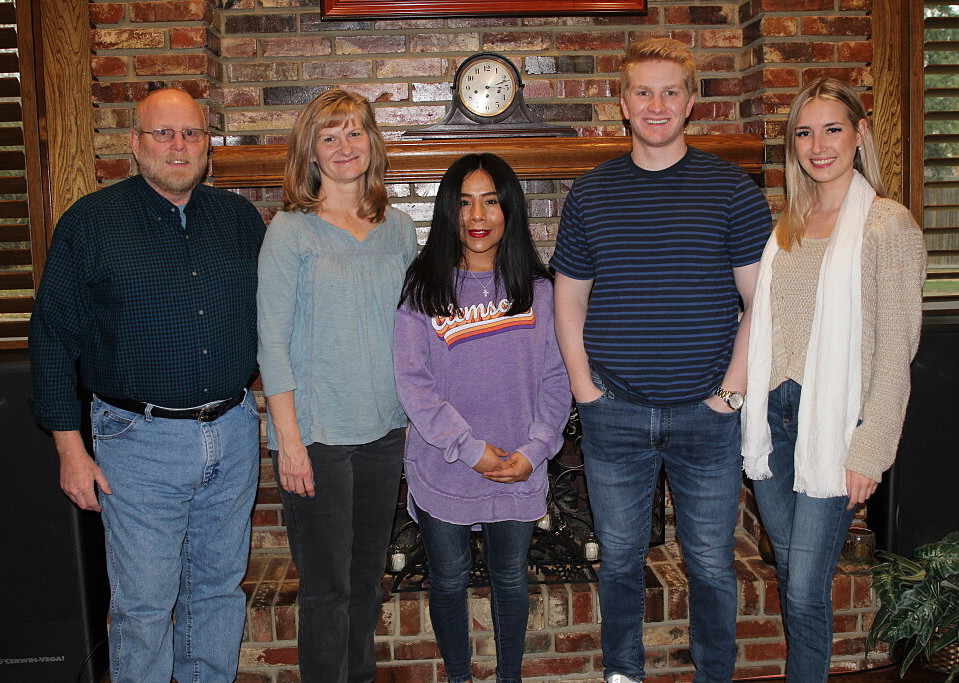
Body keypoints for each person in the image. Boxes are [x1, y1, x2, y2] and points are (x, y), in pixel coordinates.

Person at [550, 38, 772, 683]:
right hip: (614, 413)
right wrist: (585, 391)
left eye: (670, 91)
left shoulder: (732, 191)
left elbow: (761, 304)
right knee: (620, 561)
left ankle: (714, 674)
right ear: (622, 103)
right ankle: (623, 672)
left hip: (707, 416)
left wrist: (729, 395)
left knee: (711, 564)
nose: (656, 104)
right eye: (642, 91)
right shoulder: (591, 194)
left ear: (691, 101)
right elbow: (569, 301)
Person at [28, 88, 266, 682]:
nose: (178, 145)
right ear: (135, 144)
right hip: (137, 441)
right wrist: (70, 450)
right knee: (143, 606)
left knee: (218, 592)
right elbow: (52, 337)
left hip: (233, 431)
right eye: (163, 133)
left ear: (207, 145)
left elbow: (276, 320)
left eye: (190, 133)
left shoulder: (239, 221)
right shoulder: (90, 223)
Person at [741, 78, 926, 682]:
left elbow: (897, 348)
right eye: (804, 133)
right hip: (774, 419)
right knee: (793, 574)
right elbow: (764, 321)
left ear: (860, 134)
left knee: (803, 587)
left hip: (836, 426)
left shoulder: (887, 225)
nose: (817, 146)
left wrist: (871, 450)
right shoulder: (790, 223)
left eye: (832, 129)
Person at [256, 88, 417, 682]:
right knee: (327, 592)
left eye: (355, 132)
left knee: (366, 582)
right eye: (330, 136)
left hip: (385, 431)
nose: (345, 146)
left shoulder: (399, 230)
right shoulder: (290, 231)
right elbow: (271, 344)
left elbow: (411, 332)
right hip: (317, 437)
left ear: (372, 143)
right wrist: (289, 442)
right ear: (311, 152)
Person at [394, 153, 571, 683]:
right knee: (448, 579)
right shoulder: (422, 290)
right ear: (448, 213)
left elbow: (557, 378)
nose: (477, 215)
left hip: (518, 464)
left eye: (490, 201)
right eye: (465, 202)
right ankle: (459, 677)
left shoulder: (540, 292)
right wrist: (469, 449)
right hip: (446, 465)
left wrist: (535, 451)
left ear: (509, 210)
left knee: (511, 578)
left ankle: (509, 676)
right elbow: (414, 384)